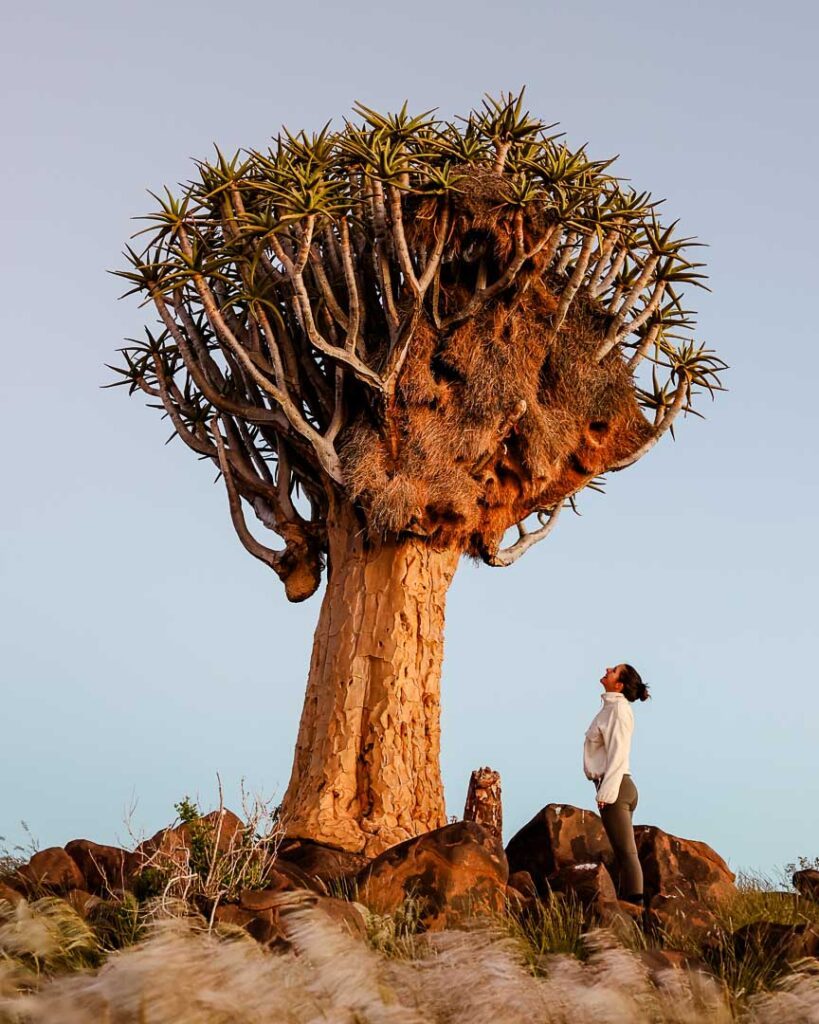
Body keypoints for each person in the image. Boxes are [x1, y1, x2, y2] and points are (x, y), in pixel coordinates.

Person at [583, 663, 650, 907]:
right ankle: (629, 903)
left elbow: (618, 753)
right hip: (617, 786)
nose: (607, 668)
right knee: (622, 853)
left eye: (614, 670)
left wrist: (607, 790)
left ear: (619, 685)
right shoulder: (610, 709)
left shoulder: (619, 710)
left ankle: (636, 909)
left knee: (627, 854)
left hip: (617, 787)